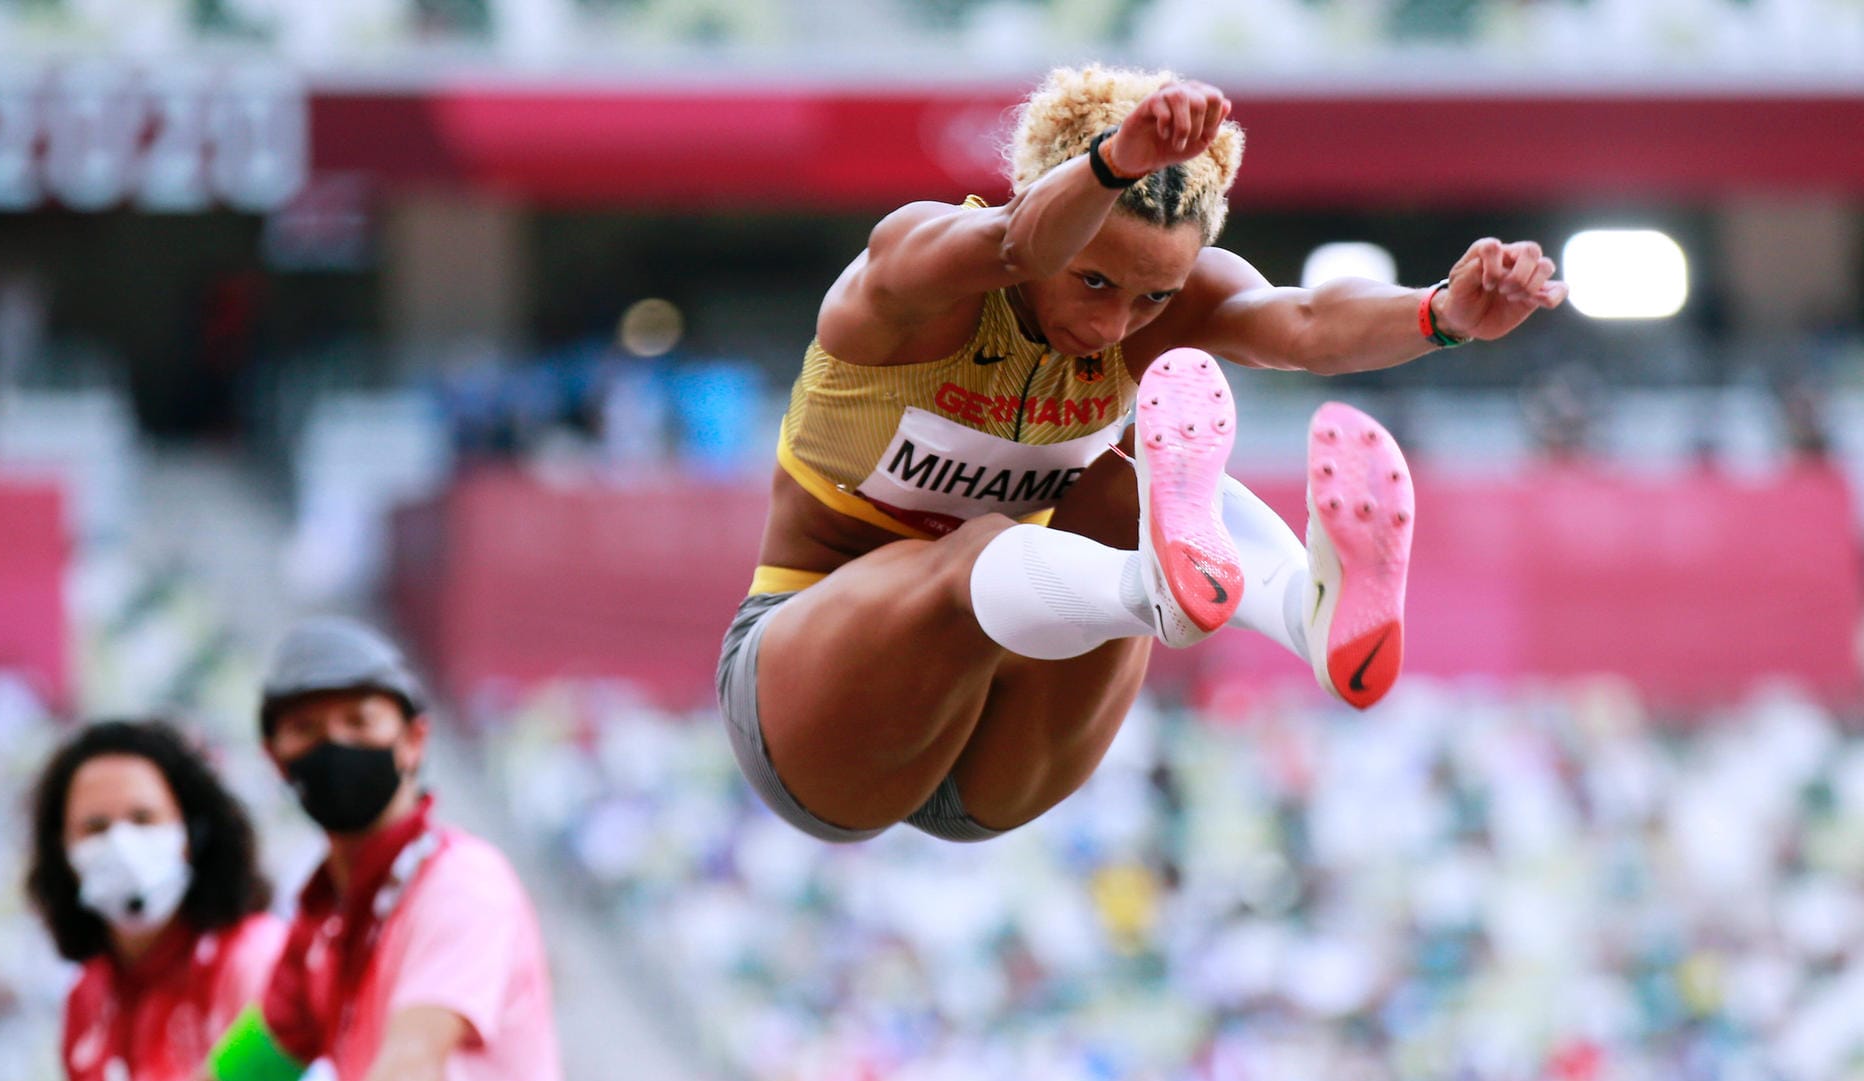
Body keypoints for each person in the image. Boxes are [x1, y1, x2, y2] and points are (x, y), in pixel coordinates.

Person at [717, 63, 1566, 845]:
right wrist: (1116, 162)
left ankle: (1305, 617)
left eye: (1152, 296)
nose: (1114, 326)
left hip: (998, 758)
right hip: (812, 722)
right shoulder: (913, 274)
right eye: (1093, 282)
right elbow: (1017, 245)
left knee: (1127, 490)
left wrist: (1441, 314)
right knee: (980, 547)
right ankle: (1157, 588)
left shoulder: (1157, 309)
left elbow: (1303, 323)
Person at [209, 616, 560, 1081]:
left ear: (414, 741)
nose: (334, 743)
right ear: (275, 758)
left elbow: (410, 1063)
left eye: (359, 721)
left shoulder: (461, 885)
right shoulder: (324, 916)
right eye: (305, 727)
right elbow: (242, 1072)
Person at [25, 719, 284, 1081]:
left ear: (192, 833)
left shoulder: (256, 959)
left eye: (143, 819)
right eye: (95, 828)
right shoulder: (88, 997)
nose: (121, 845)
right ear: (62, 852)